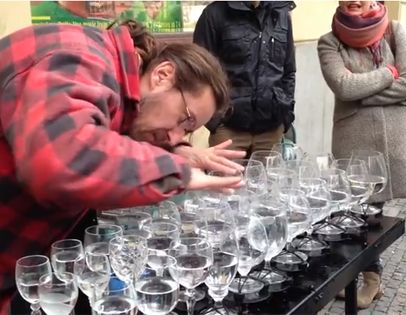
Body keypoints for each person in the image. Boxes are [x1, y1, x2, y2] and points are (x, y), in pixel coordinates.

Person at [0, 19, 244, 311]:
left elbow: (108, 132)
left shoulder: (117, 78)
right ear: (163, 75)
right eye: (185, 120)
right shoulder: (80, 57)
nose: (176, 135)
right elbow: (64, 161)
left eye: (188, 132)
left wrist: (179, 151)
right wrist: (173, 171)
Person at [318, 1, 406, 309]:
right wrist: (390, 73)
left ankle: (372, 280)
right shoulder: (329, 41)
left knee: (375, 212)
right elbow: (344, 87)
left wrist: (365, 94)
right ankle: (359, 275)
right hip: (353, 140)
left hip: (391, 138)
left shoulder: (394, 30)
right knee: (351, 212)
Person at [193, 1, 296, 157]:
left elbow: (288, 71)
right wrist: (215, 121)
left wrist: (285, 116)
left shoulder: (281, 14)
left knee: (270, 181)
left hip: (271, 129)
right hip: (228, 128)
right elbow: (200, 72)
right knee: (227, 181)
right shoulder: (215, 14)